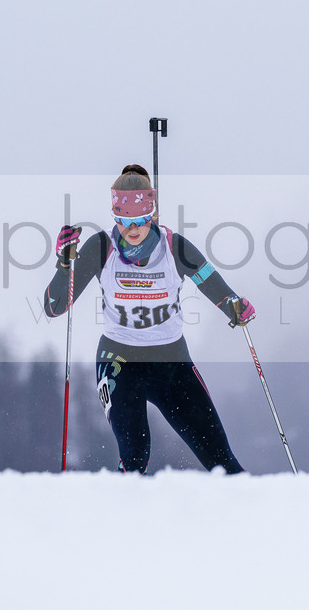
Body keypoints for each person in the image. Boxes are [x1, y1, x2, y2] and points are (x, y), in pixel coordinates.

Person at [43, 164, 255, 474]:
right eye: (124, 221)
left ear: (152, 215)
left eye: (139, 221)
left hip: (171, 361)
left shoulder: (174, 247)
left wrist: (233, 305)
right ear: (115, 217)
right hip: (119, 360)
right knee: (135, 453)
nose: (132, 230)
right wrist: (64, 266)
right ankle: (123, 515)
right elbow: (55, 307)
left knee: (221, 459)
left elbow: (212, 283)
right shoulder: (101, 248)